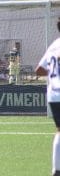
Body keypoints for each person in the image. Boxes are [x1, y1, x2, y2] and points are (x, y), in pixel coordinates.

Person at [35, 18, 60, 176]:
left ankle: (57, 170)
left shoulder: (54, 45)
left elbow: (39, 70)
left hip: (54, 95)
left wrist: (53, 71)